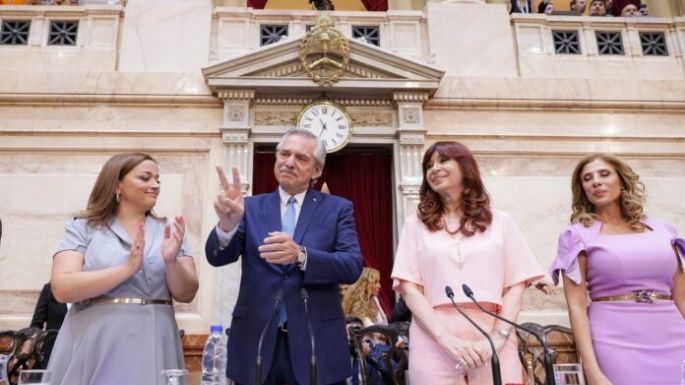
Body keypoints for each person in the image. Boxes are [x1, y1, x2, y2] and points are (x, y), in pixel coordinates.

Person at [206, 129, 363, 385]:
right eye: (284, 154)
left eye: (301, 158)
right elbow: (218, 257)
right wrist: (226, 227)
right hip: (256, 340)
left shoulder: (338, 209)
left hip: (316, 343)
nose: (289, 162)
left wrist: (301, 256)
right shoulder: (250, 207)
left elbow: (352, 266)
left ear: (317, 170)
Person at [391, 141, 544, 385]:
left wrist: (496, 339)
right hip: (433, 336)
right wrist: (446, 340)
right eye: (428, 165)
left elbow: (515, 286)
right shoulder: (414, 224)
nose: (434, 169)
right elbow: (409, 289)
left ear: (465, 167)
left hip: (493, 333)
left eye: (443, 161)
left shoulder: (501, 222)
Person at [48, 152, 198, 385]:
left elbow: (186, 292)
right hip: (96, 340)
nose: (155, 185)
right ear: (117, 184)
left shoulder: (170, 229)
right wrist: (127, 269)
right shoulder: (83, 228)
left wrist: (171, 261)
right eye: (145, 178)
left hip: (155, 338)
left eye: (158, 179)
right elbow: (62, 288)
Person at [549, 154, 685, 385]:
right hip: (613, 340)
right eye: (588, 178)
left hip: (674, 337)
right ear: (583, 189)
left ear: (621, 181)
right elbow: (577, 306)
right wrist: (592, 371)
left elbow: (681, 296)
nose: (596, 182)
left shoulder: (664, 229)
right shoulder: (576, 235)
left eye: (604, 174)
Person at [29, 282, 68, 368]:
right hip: (51, 352)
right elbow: (36, 324)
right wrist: (27, 344)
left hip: (78, 351)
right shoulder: (50, 289)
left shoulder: (90, 291)